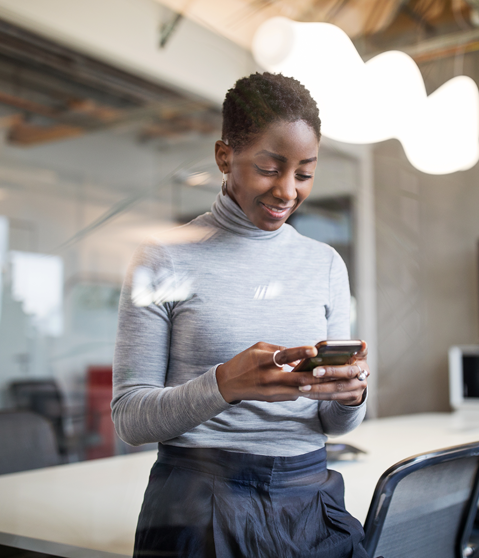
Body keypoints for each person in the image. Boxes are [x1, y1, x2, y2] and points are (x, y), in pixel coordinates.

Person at [112, 72, 371, 558]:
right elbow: (129, 418)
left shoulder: (325, 264)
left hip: (310, 498)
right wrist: (226, 383)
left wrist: (351, 395)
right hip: (199, 500)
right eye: (270, 168)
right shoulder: (164, 257)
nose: (288, 191)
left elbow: (333, 424)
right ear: (224, 156)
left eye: (305, 172)